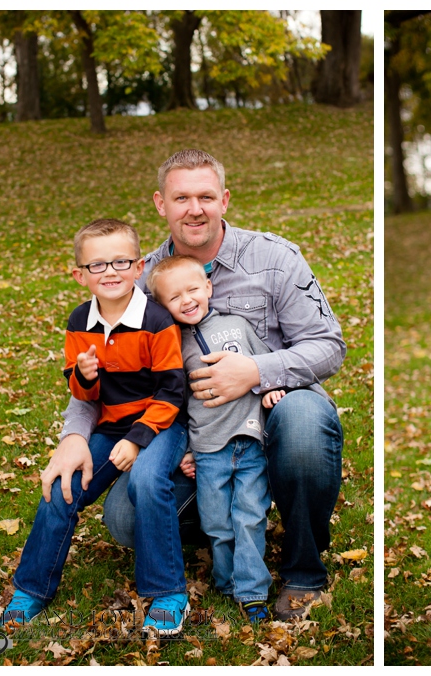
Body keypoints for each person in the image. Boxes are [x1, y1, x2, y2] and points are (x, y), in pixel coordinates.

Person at [47, 149, 345, 622]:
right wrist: (74, 436)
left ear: (224, 200)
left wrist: (255, 371)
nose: (195, 208)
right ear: (160, 204)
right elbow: (99, 367)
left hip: (277, 406)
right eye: (181, 197)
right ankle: (230, 521)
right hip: (196, 431)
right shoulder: (139, 279)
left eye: (206, 196)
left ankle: (303, 566)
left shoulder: (275, 258)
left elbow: (329, 345)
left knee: (306, 423)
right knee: (125, 519)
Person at [2, 219, 190, 637]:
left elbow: (173, 391)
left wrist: (138, 440)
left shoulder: (157, 321)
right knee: (62, 485)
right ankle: (31, 589)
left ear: (139, 266)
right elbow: (82, 394)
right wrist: (84, 375)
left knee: (145, 479)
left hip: (161, 427)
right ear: (79, 274)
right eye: (97, 264)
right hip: (108, 429)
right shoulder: (78, 321)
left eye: (121, 261)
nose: (110, 271)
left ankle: (168, 592)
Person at [145, 255, 282, 624]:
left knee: (250, 516)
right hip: (207, 450)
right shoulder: (172, 345)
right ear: (161, 305)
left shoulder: (237, 324)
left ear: (208, 287)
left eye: (193, 289)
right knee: (217, 522)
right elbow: (179, 404)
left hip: (249, 441)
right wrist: (187, 449)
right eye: (175, 297)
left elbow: (267, 361)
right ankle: (226, 581)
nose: (187, 299)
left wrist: (269, 388)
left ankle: (253, 592)